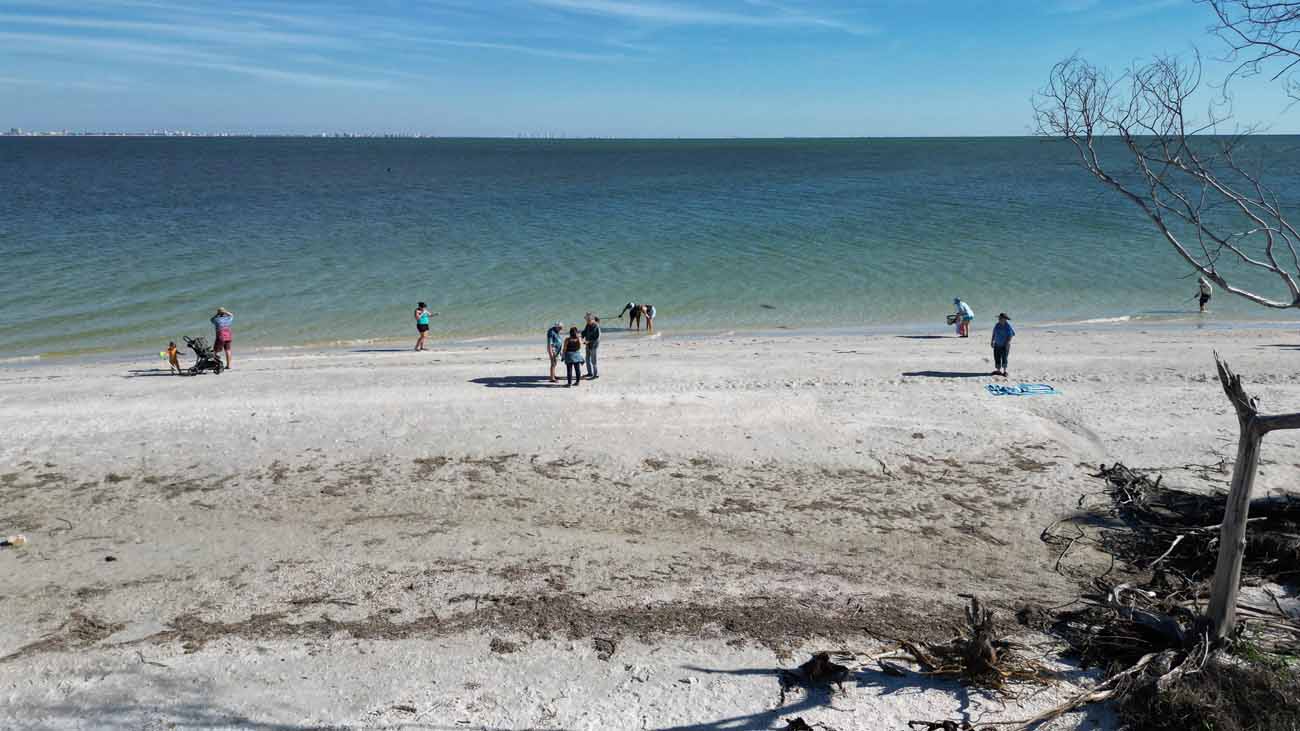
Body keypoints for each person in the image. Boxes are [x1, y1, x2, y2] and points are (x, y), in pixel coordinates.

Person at [991, 313, 1015, 377]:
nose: (999, 319)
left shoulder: (1008, 326)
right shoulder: (997, 325)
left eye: (1000, 318)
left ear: (1004, 319)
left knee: (1004, 358)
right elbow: (994, 333)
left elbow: (1011, 335)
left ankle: (1004, 371)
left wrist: (1008, 343)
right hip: (997, 344)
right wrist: (992, 341)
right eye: (999, 318)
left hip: (1005, 345)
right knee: (997, 357)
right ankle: (998, 371)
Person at [581, 313, 601, 379]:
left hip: (594, 345)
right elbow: (584, 332)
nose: (587, 321)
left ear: (592, 319)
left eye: (588, 320)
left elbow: (596, 338)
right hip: (588, 344)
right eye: (587, 320)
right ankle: (590, 373)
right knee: (587, 359)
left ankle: (596, 374)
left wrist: (589, 341)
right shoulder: (588, 325)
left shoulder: (596, 326)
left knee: (593, 360)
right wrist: (582, 336)